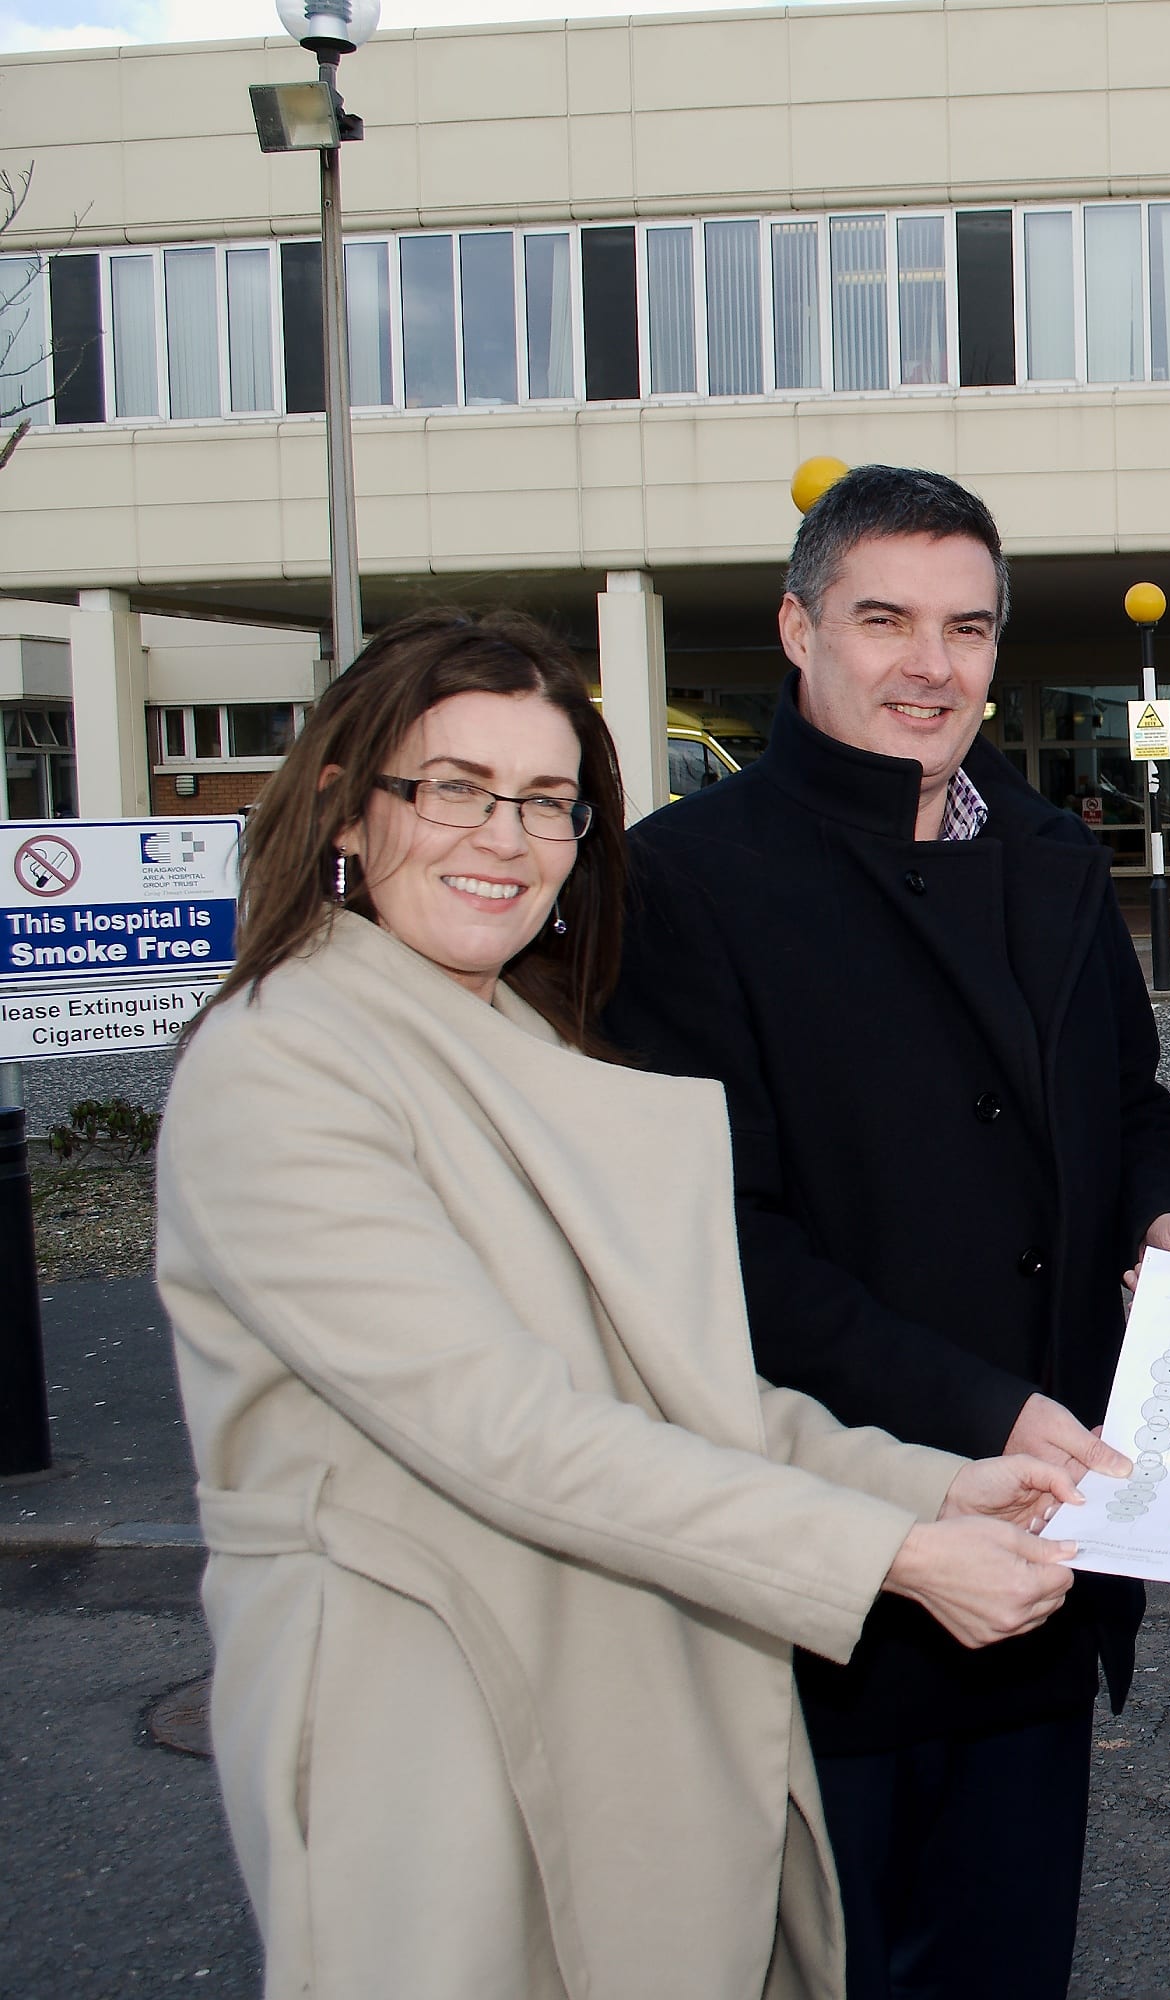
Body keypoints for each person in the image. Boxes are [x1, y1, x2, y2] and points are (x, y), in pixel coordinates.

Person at [158, 610, 1087, 1997]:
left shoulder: (513, 1030)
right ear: (351, 811)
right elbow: (509, 1428)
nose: (504, 839)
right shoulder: (280, 1062)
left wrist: (926, 1488)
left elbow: (673, 1381)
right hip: (425, 1715)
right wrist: (884, 1557)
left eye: (547, 802)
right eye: (453, 789)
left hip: (616, 1673)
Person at [602, 466, 1170, 2000]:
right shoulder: (686, 881)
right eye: (884, 619)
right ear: (798, 629)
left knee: (1010, 1958)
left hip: (1047, 1546)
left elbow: (1128, 1103)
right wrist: (974, 1414)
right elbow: (719, 1248)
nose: (928, 664)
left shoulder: (1053, 851)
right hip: (836, 1555)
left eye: (965, 626)